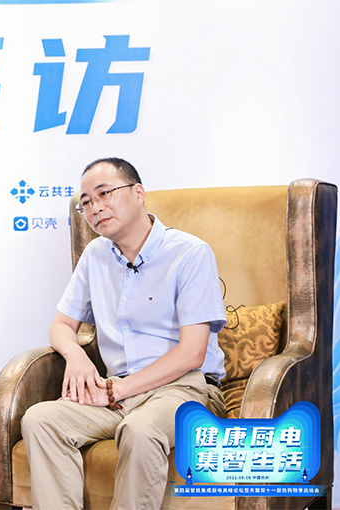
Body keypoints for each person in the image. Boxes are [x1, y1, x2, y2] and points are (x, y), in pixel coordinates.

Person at [20, 157, 227, 510]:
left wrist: (115, 391)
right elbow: (61, 326)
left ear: (138, 193)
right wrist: (77, 357)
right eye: (86, 202)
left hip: (184, 389)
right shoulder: (95, 256)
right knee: (40, 420)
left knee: (141, 429)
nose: (95, 207)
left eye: (105, 193)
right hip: (116, 391)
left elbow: (192, 353)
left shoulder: (190, 253)